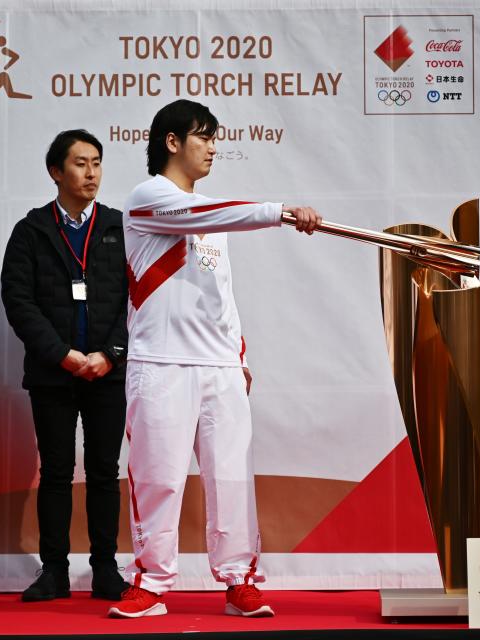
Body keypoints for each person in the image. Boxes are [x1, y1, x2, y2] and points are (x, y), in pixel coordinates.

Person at [108, 100, 321, 619]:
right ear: (172, 142)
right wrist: (280, 212)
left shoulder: (211, 219)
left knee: (230, 480)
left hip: (219, 369)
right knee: (157, 477)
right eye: (203, 137)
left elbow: (221, 294)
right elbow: (205, 212)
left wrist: (237, 355)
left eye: (215, 137)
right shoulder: (149, 199)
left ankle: (238, 579)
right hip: (161, 365)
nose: (213, 147)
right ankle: (152, 582)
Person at [1, 130, 129, 602]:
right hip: (54, 373)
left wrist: (109, 354)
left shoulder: (119, 227)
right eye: (80, 163)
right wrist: (62, 354)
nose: (91, 172)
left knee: (103, 471)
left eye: (97, 162)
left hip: (106, 373)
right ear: (56, 171)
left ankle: (105, 570)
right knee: (55, 471)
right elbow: (18, 300)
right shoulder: (31, 230)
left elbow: (137, 301)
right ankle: (53, 570)